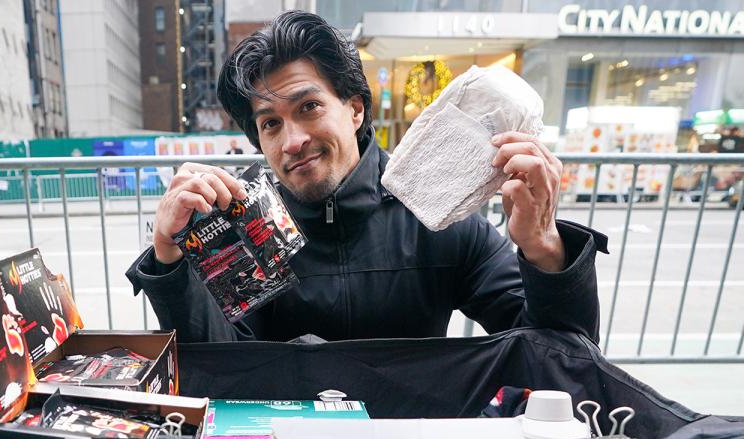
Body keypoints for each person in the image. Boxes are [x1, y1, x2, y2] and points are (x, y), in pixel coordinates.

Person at [126, 11, 607, 345]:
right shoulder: (242, 222)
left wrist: (545, 250)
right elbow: (220, 365)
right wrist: (169, 259)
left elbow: (560, 353)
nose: (292, 140)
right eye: (270, 123)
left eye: (309, 107)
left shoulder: (434, 208)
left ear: (354, 109)